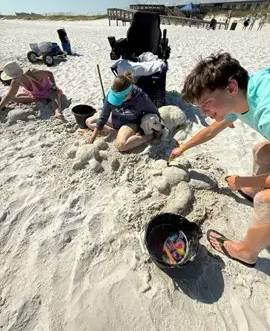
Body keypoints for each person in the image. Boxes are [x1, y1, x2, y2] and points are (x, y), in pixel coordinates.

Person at [170, 52, 270, 267]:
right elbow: (211, 130)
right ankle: (253, 192)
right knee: (263, 151)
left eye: (207, 104)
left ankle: (246, 252)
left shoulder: (266, 111)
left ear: (231, 87)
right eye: (200, 107)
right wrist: (183, 148)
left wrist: (243, 181)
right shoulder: (243, 93)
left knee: (267, 201)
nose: (205, 113)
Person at [86, 71, 161, 151]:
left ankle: (147, 137)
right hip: (115, 119)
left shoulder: (141, 98)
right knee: (88, 121)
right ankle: (114, 132)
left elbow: (155, 113)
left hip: (130, 123)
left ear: (129, 93)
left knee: (121, 146)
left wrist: (155, 132)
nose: (118, 101)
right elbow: (104, 115)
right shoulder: (113, 92)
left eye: (120, 99)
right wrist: (93, 136)